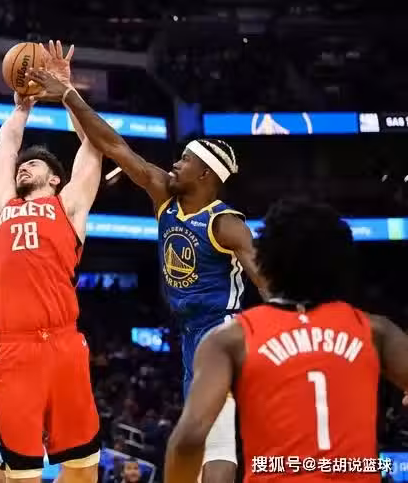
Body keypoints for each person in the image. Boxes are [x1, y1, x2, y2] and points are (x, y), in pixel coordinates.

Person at [28, 41, 269, 483]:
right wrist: (68, 93)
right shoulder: (165, 197)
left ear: (206, 175)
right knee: (198, 443)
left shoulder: (226, 223)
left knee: (213, 439)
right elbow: (114, 145)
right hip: (191, 334)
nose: (175, 164)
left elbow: (265, 280)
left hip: (222, 330)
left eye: (185, 161)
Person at [164, 198, 408, 482]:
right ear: (342, 263)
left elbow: (189, 440)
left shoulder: (231, 339)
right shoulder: (376, 331)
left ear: (265, 263)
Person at [0, 41, 103, 483]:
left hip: (64, 343)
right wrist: (22, 108)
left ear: (55, 178)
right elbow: (4, 148)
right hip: (14, 348)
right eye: (23, 165)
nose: (23, 167)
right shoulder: (2, 207)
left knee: (82, 468)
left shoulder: (68, 206)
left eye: (32, 164)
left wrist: (68, 93)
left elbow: (93, 145)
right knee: (22, 474)